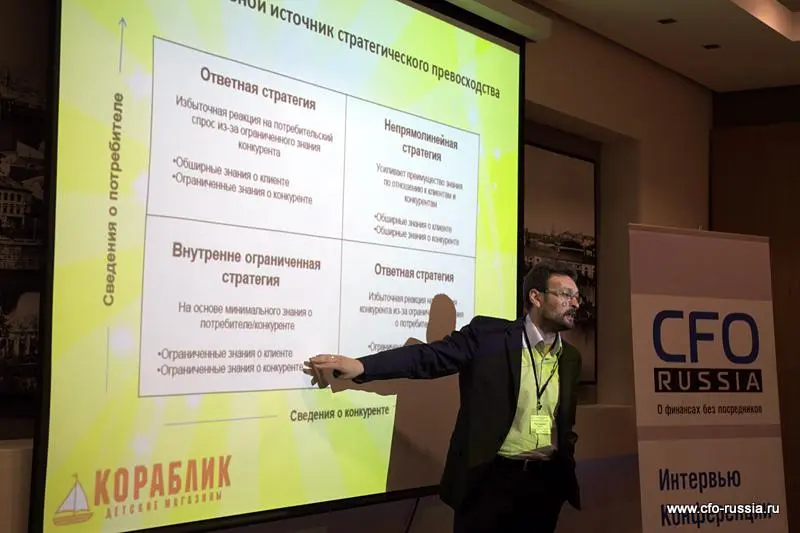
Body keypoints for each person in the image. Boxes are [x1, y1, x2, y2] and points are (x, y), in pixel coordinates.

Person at [305, 261, 583, 533]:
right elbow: (427, 358)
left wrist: (562, 469)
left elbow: (564, 423)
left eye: (576, 297)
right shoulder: (489, 337)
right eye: (565, 295)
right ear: (536, 297)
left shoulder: (570, 358)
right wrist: (362, 366)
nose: (575, 303)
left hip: (544, 489)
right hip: (490, 483)